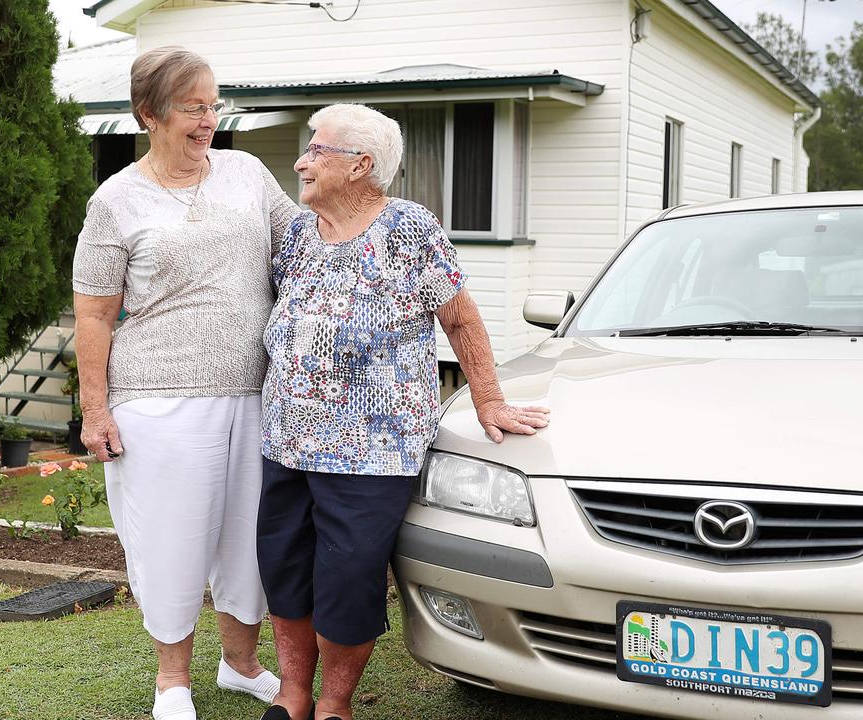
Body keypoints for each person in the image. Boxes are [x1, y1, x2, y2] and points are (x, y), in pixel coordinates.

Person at [256, 103, 550, 720]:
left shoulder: (409, 230)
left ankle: (335, 703)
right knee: (284, 567)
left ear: (361, 165)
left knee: (348, 578)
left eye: (316, 150)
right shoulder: (295, 233)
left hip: (373, 447)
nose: (301, 160)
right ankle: (292, 695)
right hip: (286, 438)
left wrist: (489, 400)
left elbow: (460, 316)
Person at [72, 46, 300, 720]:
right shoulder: (116, 199)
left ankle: (241, 665)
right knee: (172, 539)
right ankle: (172, 681)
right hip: (158, 397)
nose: (208, 119)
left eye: (213, 103)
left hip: (257, 392)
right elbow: (92, 310)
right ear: (149, 115)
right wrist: (94, 408)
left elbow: (300, 245)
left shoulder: (248, 173)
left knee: (249, 538)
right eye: (192, 108)